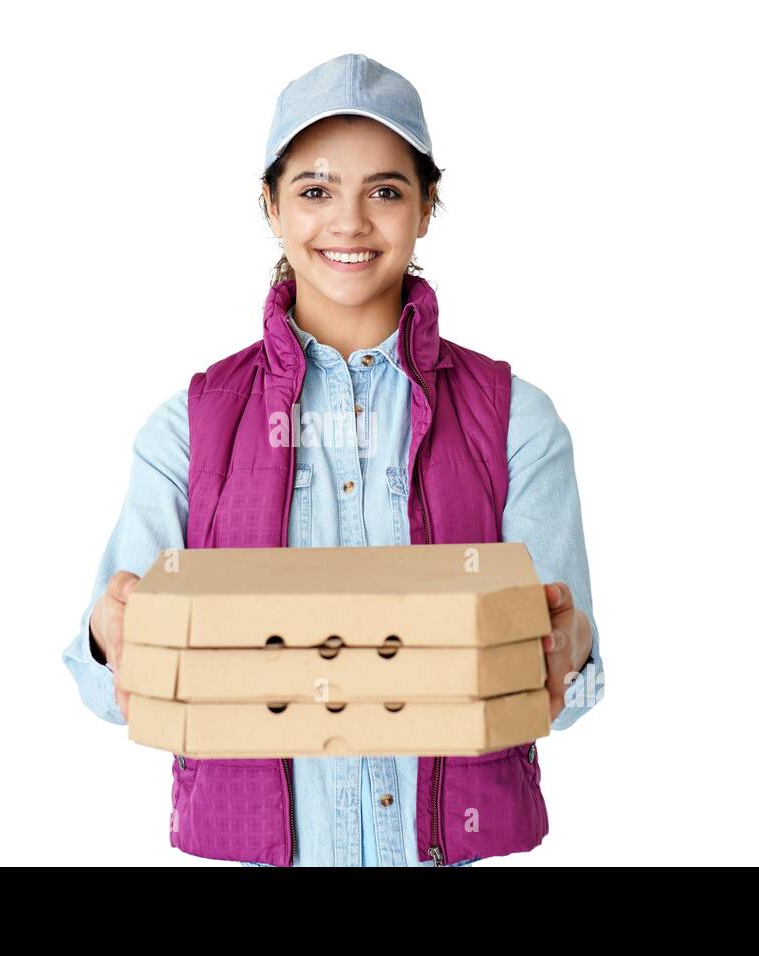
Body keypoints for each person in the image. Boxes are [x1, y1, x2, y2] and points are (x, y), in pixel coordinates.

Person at [62, 52, 603, 867]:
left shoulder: (516, 421)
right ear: (271, 207)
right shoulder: (189, 428)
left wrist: (568, 648)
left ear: (426, 210)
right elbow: (109, 687)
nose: (348, 223)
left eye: (385, 191)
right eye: (315, 191)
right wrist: (112, 642)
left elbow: (559, 690)